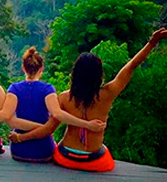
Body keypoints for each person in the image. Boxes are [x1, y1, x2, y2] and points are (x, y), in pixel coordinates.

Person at [10, 28, 167, 172]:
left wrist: (20, 137)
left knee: (58, 146)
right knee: (105, 152)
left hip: (66, 157)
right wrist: (152, 42)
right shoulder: (108, 94)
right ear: (99, 73)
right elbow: (131, 65)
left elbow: (48, 129)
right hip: (95, 160)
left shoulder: (65, 97)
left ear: (75, 74)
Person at [0, 46, 106, 162]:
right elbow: (58, 114)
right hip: (44, 151)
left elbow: (7, 116)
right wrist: (86, 124)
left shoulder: (14, 88)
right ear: (42, 68)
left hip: (19, 151)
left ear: (23, 68)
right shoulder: (48, 89)